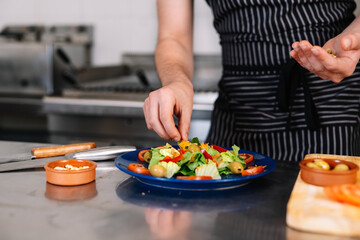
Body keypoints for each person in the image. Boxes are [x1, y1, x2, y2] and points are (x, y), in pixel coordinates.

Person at [143, 0, 360, 161]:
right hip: (240, 111)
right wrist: (177, 81)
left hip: (331, 104)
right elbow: (173, 36)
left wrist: (353, 38)